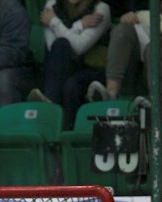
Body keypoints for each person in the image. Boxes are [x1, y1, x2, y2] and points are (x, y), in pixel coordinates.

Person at [86, 0, 162, 105]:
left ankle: (157, 104)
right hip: (138, 36)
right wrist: (126, 15)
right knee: (122, 30)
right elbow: (118, 10)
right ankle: (111, 93)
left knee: (153, 49)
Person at [26, 0, 112, 131]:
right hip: (63, 67)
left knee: (71, 86)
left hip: (93, 70)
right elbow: (53, 47)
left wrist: (54, 22)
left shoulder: (101, 9)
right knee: (60, 46)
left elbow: (79, 46)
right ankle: (52, 106)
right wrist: (80, 25)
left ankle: (51, 110)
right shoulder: (52, 6)